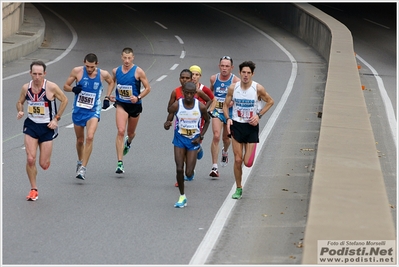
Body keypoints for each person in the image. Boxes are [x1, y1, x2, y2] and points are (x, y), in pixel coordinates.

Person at [16, 60, 68, 201]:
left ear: (45, 73)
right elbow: (20, 102)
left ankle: (44, 159)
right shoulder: (26, 88)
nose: (37, 77)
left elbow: (64, 100)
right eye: (34, 74)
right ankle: (34, 189)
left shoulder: (51, 87)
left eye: (40, 74)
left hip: (47, 127)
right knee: (30, 158)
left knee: (43, 164)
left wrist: (56, 118)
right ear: (30, 73)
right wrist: (20, 111)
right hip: (31, 125)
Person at [223, 60, 274, 199]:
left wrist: (259, 115)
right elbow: (225, 105)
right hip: (237, 125)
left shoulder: (258, 88)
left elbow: (270, 101)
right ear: (240, 73)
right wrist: (228, 119)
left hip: (251, 126)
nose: (246, 75)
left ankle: (251, 149)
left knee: (248, 163)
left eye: (248, 73)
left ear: (252, 74)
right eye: (243, 72)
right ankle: (238, 188)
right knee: (238, 160)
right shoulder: (233, 88)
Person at [63, 53, 114, 180]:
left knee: (90, 137)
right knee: (80, 140)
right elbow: (65, 86)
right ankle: (80, 161)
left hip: (93, 111)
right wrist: (74, 89)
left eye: (91, 67)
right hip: (79, 110)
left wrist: (107, 96)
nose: (89, 69)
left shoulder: (103, 74)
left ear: (97, 64)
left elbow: (111, 82)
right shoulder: (77, 71)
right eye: (87, 66)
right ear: (83, 63)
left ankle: (83, 169)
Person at [103, 47, 151, 174]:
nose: (127, 61)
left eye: (129, 58)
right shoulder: (116, 71)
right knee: (120, 131)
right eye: (125, 58)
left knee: (130, 133)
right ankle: (120, 163)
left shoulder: (138, 71)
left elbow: (148, 88)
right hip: (121, 104)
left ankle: (128, 142)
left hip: (135, 105)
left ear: (133, 58)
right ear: (121, 57)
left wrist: (138, 97)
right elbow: (112, 82)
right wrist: (108, 95)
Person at [164, 82, 210, 208]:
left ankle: (198, 150)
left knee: (189, 173)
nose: (189, 95)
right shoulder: (177, 105)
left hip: (193, 141)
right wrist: (167, 124)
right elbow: (169, 118)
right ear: (183, 92)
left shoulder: (200, 107)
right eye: (187, 93)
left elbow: (207, 121)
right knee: (179, 168)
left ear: (195, 94)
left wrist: (200, 136)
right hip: (179, 139)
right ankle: (182, 196)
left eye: (191, 93)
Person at [167, 69, 212, 186]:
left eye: (187, 78)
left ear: (191, 79)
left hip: (195, 122)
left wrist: (201, 111)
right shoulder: (175, 92)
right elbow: (169, 109)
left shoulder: (196, 91)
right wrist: (171, 117)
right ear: (179, 78)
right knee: (180, 160)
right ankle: (180, 178)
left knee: (190, 151)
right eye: (182, 78)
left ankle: (197, 152)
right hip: (180, 125)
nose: (184, 80)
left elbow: (209, 100)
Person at [208, 56, 240, 178]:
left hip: (229, 113)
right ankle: (214, 167)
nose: (224, 68)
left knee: (226, 139)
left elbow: (239, 96)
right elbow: (210, 93)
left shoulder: (235, 81)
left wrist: (233, 102)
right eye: (222, 65)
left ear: (231, 68)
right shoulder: (213, 78)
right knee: (216, 135)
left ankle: (225, 151)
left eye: (227, 66)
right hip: (217, 111)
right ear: (219, 66)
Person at [189, 64, 214, 160]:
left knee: (194, 144)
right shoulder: (185, 88)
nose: (194, 77)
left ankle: (198, 149)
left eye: (197, 74)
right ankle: (189, 168)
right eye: (192, 74)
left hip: (199, 120)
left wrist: (209, 111)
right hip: (186, 119)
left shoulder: (203, 89)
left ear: (200, 76)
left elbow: (213, 99)